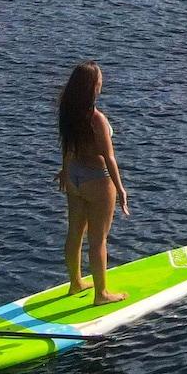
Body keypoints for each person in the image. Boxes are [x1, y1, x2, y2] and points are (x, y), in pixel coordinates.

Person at [55, 61, 129, 303]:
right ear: (92, 87)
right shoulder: (96, 118)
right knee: (98, 239)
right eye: (100, 81)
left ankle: (75, 283)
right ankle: (102, 294)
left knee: (74, 232)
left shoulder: (67, 110)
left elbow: (68, 146)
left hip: (74, 176)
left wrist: (65, 172)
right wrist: (120, 188)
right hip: (97, 180)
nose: (102, 83)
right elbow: (109, 157)